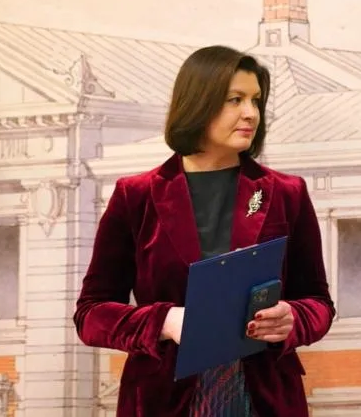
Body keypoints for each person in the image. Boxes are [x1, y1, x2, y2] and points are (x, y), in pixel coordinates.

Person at [74, 45, 335, 416]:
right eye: (235, 100)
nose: (251, 113)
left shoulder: (286, 193)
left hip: (263, 399)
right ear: (198, 103)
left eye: (256, 100)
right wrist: (165, 321)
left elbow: (318, 302)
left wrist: (294, 317)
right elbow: (90, 315)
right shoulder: (136, 196)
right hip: (163, 400)